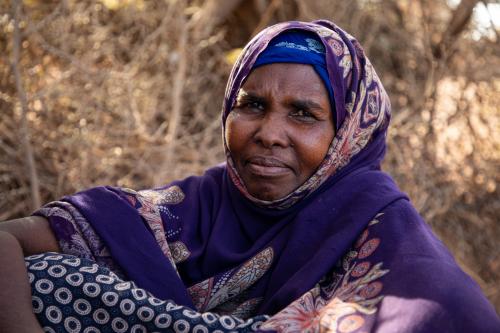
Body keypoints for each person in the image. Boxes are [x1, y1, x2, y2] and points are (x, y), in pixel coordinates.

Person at [0, 20, 499, 333]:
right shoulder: (194, 207)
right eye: (252, 106)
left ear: (348, 134)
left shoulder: (380, 232)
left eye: (302, 114)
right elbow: (7, 240)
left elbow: (445, 315)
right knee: (48, 279)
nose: (269, 133)